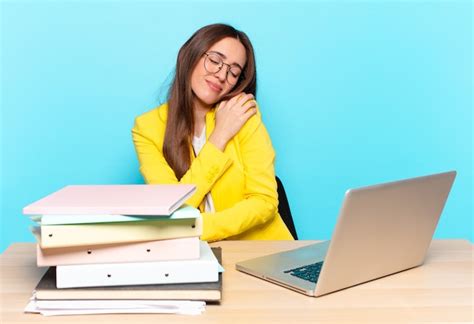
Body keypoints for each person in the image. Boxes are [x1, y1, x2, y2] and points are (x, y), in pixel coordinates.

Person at [132, 23, 293, 241]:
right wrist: (219, 137)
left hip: (261, 252)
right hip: (192, 256)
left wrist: (197, 229)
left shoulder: (242, 113)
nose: (221, 75)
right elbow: (171, 208)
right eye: (215, 61)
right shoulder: (147, 128)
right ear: (191, 55)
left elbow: (264, 201)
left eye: (233, 72)